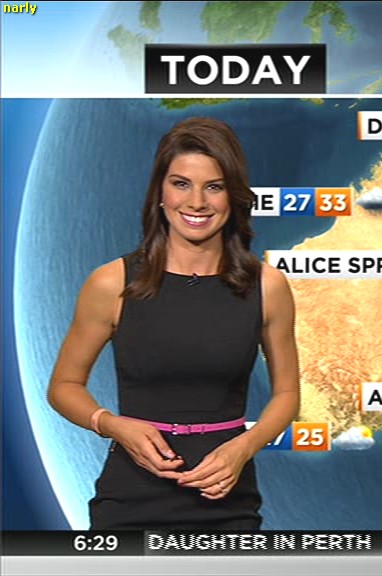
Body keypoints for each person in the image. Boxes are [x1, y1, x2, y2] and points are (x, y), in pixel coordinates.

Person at [47, 117, 299, 530]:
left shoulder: (267, 287)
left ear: (233, 196)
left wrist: (244, 447)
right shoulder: (112, 283)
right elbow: (63, 386)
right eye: (181, 184)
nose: (196, 202)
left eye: (214, 187)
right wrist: (112, 425)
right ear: (160, 193)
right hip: (130, 505)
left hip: (228, 504)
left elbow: (287, 394)